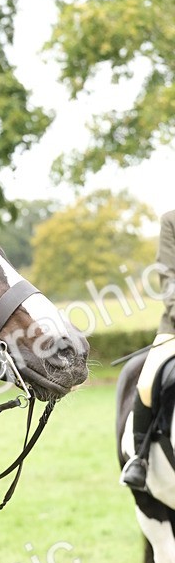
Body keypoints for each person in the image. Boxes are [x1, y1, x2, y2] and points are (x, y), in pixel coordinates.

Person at [120, 208, 175, 489]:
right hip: (174, 328)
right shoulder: (171, 220)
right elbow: (169, 280)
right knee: (146, 382)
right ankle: (140, 459)